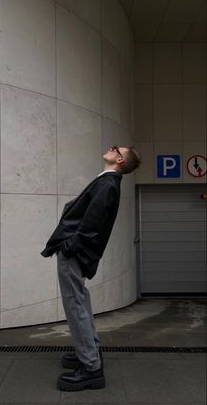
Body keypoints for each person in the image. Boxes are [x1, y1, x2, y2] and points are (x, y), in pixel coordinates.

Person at [41, 145, 141, 391]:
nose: (111, 147)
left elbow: (91, 225)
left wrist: (68, 247)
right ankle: (88, 351)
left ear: (119, 160)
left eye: (116, 148)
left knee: (75, 305)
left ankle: (91, 368)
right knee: (80, 302)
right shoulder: (106, 181)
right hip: (75, 251)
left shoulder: (107, 184)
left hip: (74, 253)